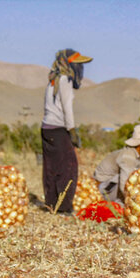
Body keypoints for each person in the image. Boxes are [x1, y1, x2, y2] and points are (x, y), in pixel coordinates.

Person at [41, 48, 93, 213]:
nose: (80, 69)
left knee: (51, 167)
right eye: (78, 65)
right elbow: (67, 108)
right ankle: (63, 207)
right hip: (58, 129)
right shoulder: (65, 81)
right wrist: (72, 131)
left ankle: (51, 203)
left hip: (46, 129)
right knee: (68, 168)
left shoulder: (53, 80)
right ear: (69, 65)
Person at [93, 123, 140, 206]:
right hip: (104, 189)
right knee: (128, 178)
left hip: (111, 187)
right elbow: (124, 184)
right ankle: (120, 203)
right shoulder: (128, 156)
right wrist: (136, 204)